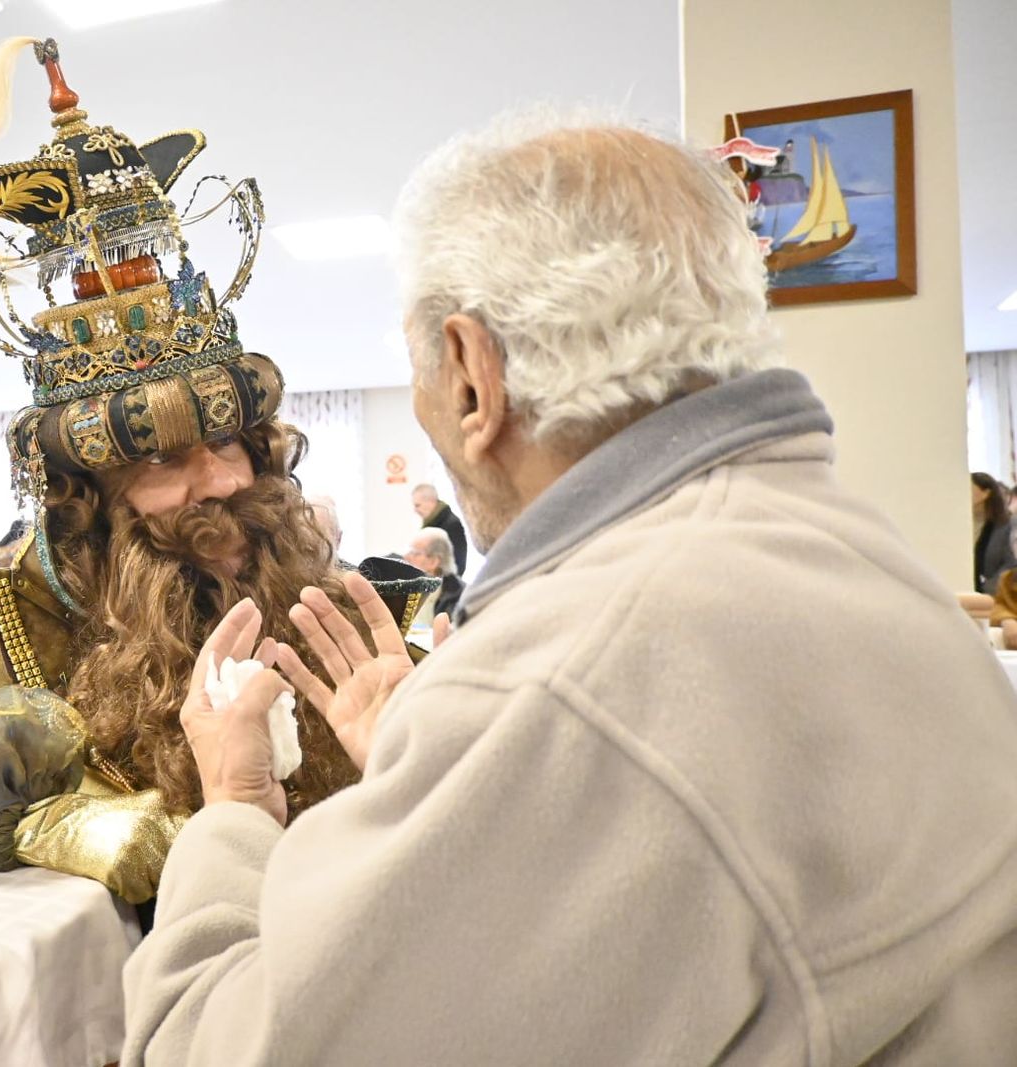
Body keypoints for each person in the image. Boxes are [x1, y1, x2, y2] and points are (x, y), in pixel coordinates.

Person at [121, 114, 1017, 1063]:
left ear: (471, 377)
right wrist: (444, 776)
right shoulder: (860, 553)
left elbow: (224, 1046)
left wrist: (233, 804)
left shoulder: (575, 678)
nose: (216, 483)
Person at [0, 37, 437, 907]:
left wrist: (420, 757)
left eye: (230, 445)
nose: (217, 482)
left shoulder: (337, 620)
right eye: (160, 459)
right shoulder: (6, 638)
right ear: (87, 494)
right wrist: (70, 822)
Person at [403, 527, 462, 618]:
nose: (406, 557)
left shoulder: (458, 597)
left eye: (414, 553)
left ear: (434, 561)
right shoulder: (405, 585)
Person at [971, 471, 1014, 594]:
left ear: (986, 493)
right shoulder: (962, 523)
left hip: (995, 593)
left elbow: (1011, 563)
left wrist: (988, 588)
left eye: (971, 488)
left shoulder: (1006, 524)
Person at [410, 481, 468, 572]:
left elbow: (458, 564)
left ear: (430, 501)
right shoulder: (432, 524)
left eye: (418, 505)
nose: (415, 510)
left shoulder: (452, 525)